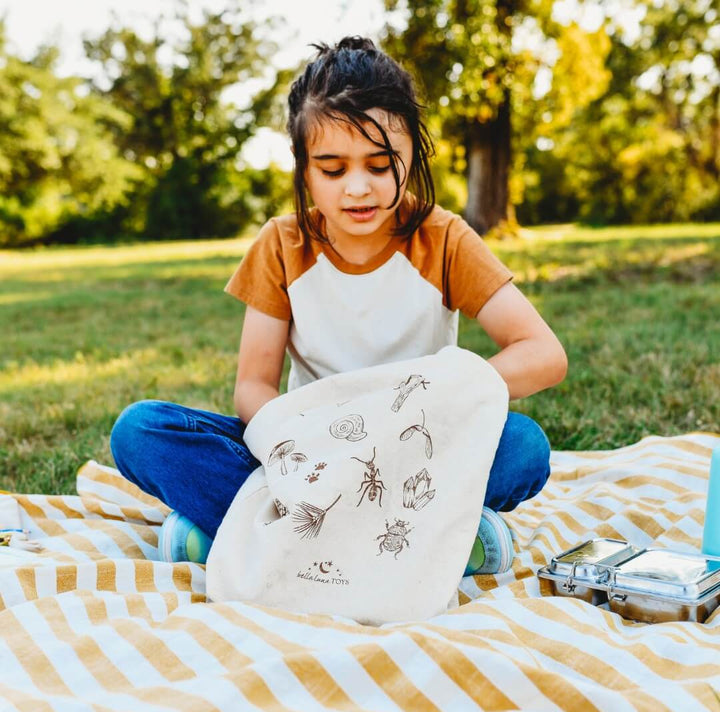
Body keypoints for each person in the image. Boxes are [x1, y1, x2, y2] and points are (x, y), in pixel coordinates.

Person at [110, 37, 567, 575]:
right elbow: (254, 385)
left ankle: (257, 536)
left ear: (411, 155)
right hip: (305, 451)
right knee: (141, 432)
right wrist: (298, 448)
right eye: (332, 169)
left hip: (414, 448)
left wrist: (426, 403)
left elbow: (542, 354)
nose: (358, 188)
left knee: (523, 446)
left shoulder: (444, 238)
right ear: (304, 169)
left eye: (380, 165)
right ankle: (426, 539)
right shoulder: (281, 245)